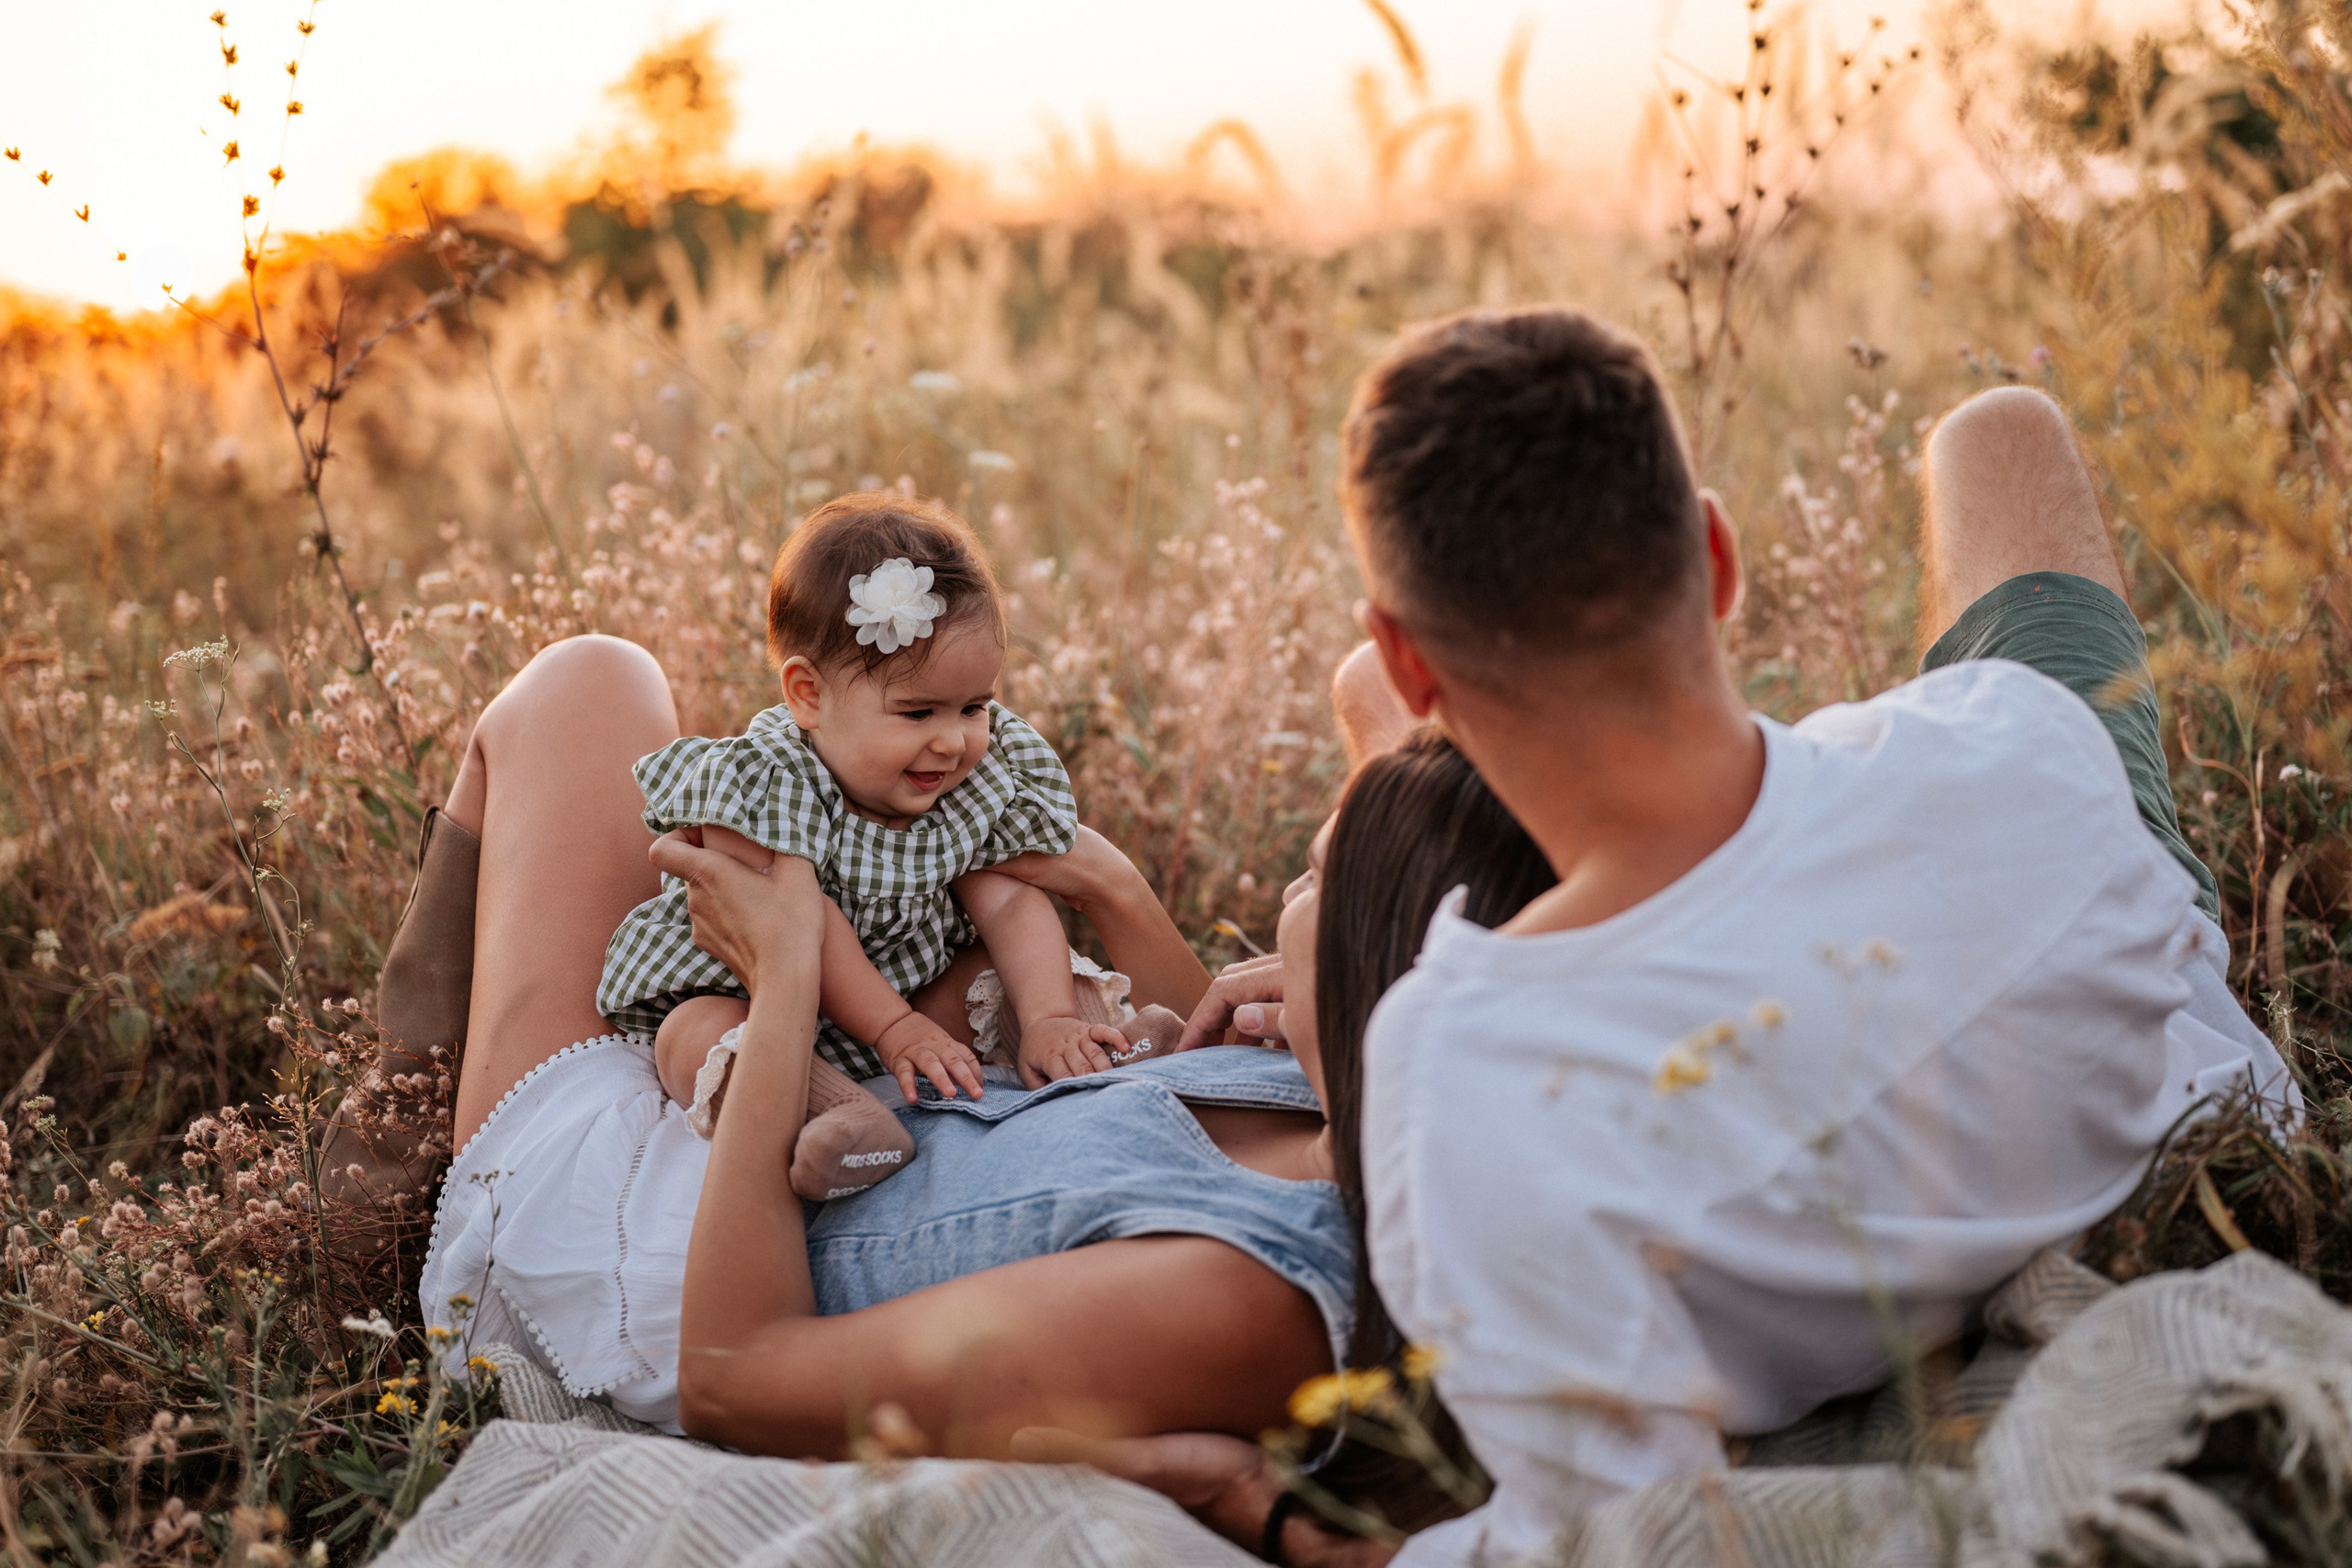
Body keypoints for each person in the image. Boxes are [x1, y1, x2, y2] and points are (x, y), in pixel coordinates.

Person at [1137, 309, 2294, 1566]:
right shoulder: (2016, 732)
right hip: (2093, 907)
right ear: (1716, 551)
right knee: (1999, 430)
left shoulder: (1454, 1062)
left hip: (1895, 891)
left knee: (1358, 725)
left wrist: (1289, 1523)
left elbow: (1612, 1533)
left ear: (1424, 670)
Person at [402, 627, 1341, 1445]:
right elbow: (1194, 1043)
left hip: (660, 1229)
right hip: (802, 1079)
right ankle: (401, 1094)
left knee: (578, 685)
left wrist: (781, 980)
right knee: (601, 675)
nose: (1298, 894)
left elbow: (736, 1375)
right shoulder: (1336, 1077)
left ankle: (395, 1136)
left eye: (1318, 878)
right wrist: (1112, 888)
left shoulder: (1248, 1289)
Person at [599, 493, 1174, 1202]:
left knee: (992, 970)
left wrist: (1047, 1009)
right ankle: (836, 1116)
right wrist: (894, 1029)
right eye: (917, 712)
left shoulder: (961, 778)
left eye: (974, 707)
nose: (953, 739)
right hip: (771, 1003)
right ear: (808, 694)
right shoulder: (764, 781)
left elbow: (1009, 901)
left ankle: (1091, 1041)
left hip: (909, 1008)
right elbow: (803, 927)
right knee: (693, 1034)